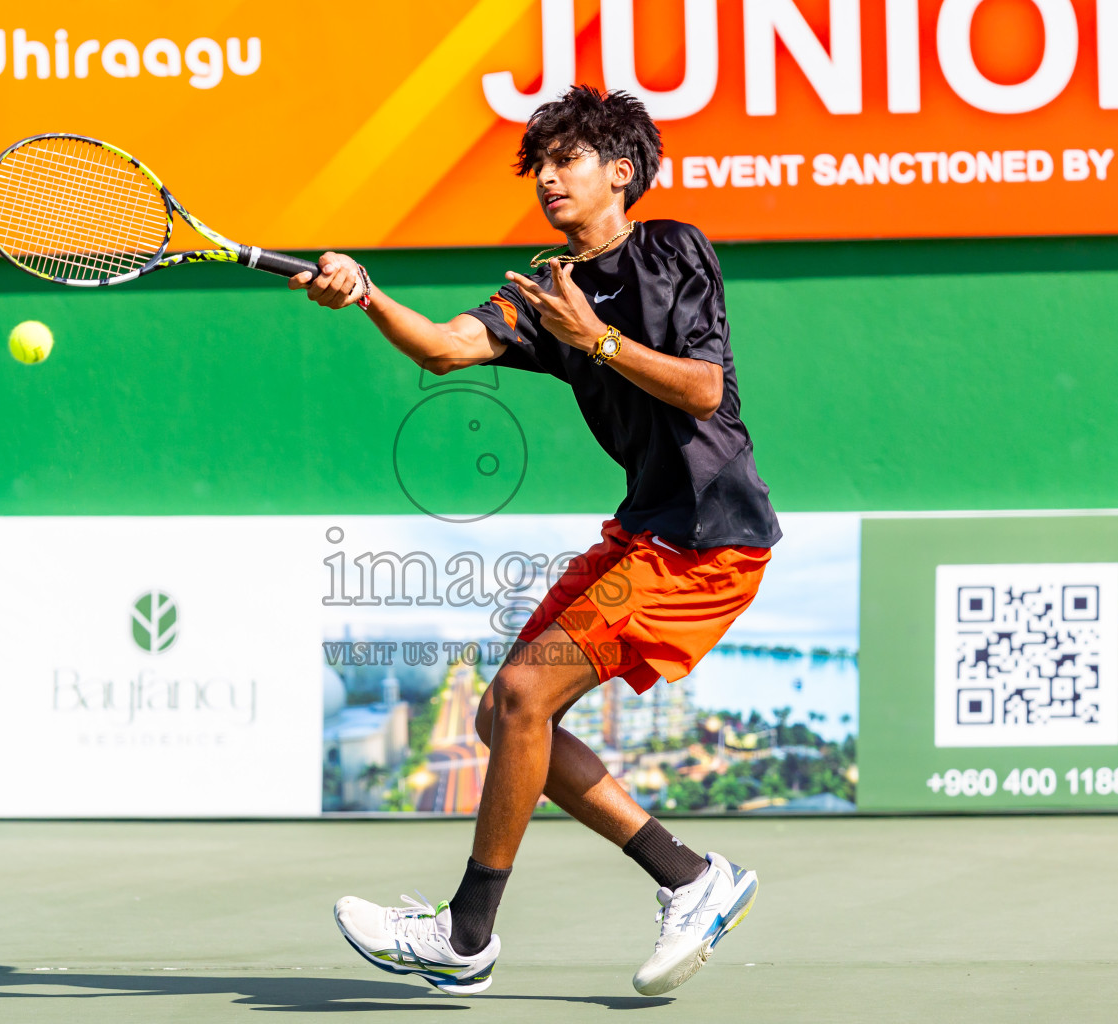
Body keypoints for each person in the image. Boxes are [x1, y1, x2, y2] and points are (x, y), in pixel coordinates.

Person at [289, 85, 781, 996]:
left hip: (709, 537)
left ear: (620, 173)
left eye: (568, 160)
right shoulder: (544, 291)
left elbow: (705, 391)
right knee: (502, 716)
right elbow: (442, 346)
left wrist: (596, 342)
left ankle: (465, 934)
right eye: (539, 165)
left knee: (520, 690)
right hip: (644, 531)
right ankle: (688, 877)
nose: (548, 178)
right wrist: (363, 292)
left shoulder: (669, 249)